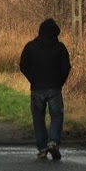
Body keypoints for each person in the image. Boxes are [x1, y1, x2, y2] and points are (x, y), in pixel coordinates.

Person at [19, 18, 72, 161]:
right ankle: (53, 141)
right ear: (56, 33)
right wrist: (59, 82)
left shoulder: (30, 46)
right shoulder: (60, 48)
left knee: (38, 118)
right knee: (56, 116)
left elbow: (23, 65)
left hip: (37, 88)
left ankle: (42, 148)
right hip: (54, 88)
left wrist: (33, 79)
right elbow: (66, 67)